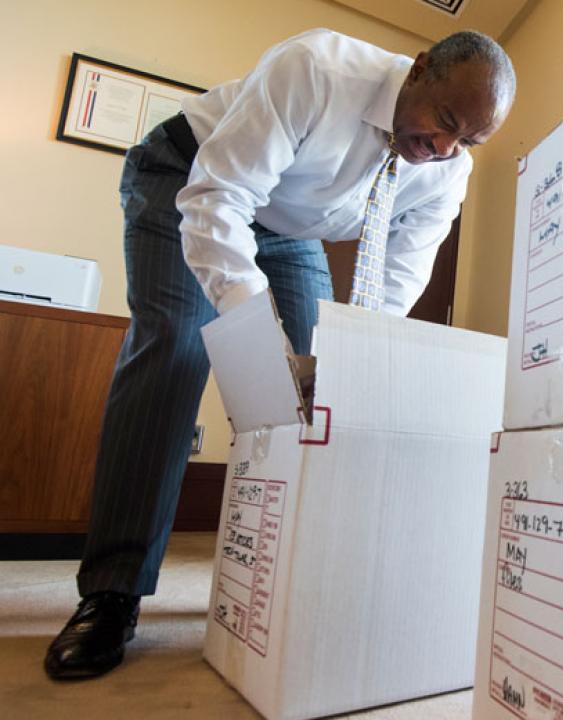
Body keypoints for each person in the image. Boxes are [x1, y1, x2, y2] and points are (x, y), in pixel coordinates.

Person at [44, 27, 516, 680]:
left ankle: (276, 580)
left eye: (468, 140)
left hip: (289, 227)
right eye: (444, 120)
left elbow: (395, 280)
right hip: (189, 177)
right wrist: (256, 343)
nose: (444, 148)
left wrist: (345, 364)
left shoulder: (448, 170)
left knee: (323, 390)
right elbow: (218, 200)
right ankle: (112, 592)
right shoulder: (318, 69)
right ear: (420, 69)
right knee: (180, 345)